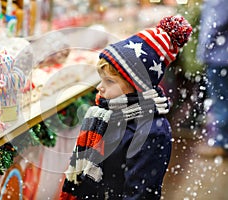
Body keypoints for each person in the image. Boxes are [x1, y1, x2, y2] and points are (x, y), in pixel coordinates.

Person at [59, 15, 192, 200]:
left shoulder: (152, 132)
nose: (100, 87)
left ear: (137, 87)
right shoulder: (109, 115)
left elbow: (140, 194)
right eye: (101, 79)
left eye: (109, 81)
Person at [196, 0, 228, 156]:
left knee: (220, 100)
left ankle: (222, 143)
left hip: (219, 56)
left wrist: (205, 46)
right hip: (220, 54)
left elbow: (216, 21)